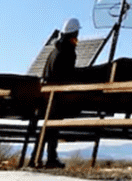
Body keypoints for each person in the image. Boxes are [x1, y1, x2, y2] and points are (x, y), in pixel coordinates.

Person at [39, 20, 80, 167]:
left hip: (45, 95)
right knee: (53, 128)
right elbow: (68, 75)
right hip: (57, 95)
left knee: (48, 128)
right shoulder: (68, 50)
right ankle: (51, 159)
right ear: (74, 33)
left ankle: (37, 157)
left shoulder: (54, 50)